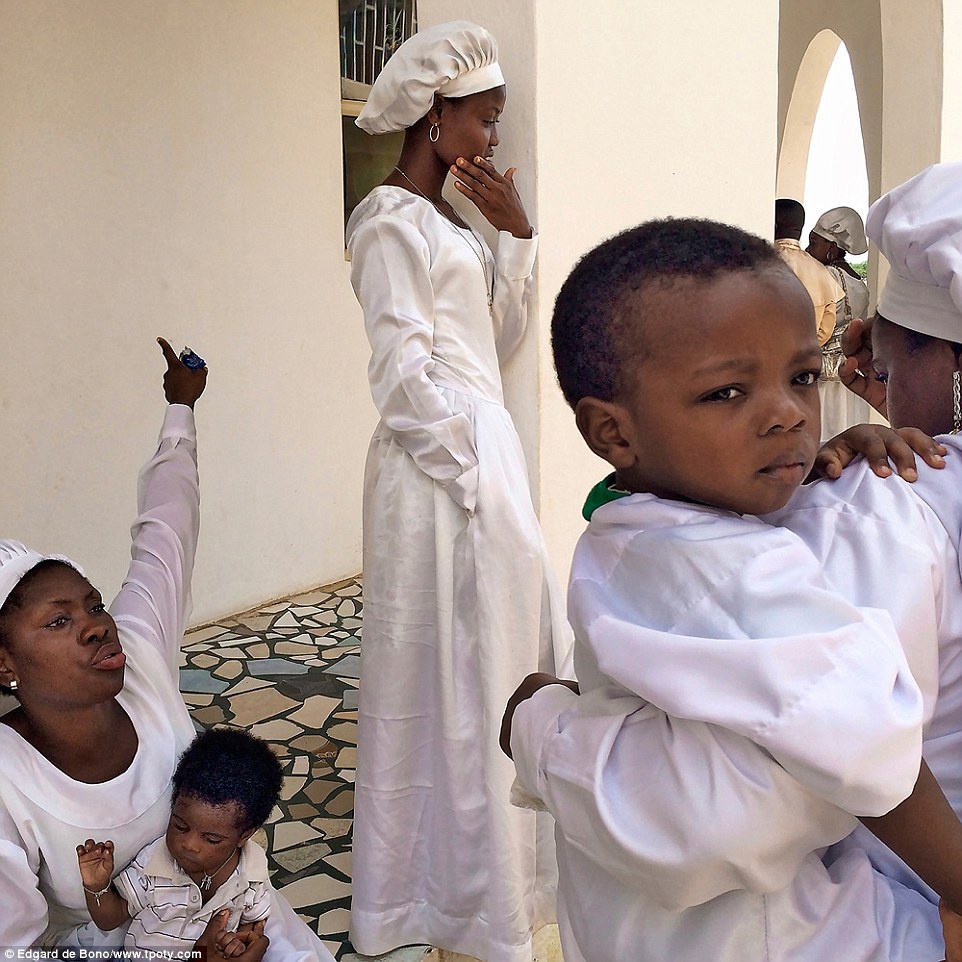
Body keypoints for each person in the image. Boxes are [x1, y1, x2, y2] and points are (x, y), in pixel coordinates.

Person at [503, 218, 962, 962]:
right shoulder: (712, 561)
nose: (787, 413)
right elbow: (868, 731)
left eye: (802, 378)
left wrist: (814, 462)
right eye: (726, 392)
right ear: (613, 434)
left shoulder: (642, 521)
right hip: (776, 934)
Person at [345, 20, 571, 962]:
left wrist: (514, 240)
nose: (491, 140)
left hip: (482, 462)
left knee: (497, 669)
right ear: (435, 114)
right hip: (438, 474)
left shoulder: (452, 228)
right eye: (482, 117)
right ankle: (440, 899)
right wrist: (472, 468)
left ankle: (493, 891)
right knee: (441, 679)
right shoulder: (388, 221)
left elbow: (497, 341)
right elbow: (401, 373)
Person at [0, 339, 334, 961]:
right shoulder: (6, 783)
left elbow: (167, 530)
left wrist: (180, 408)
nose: (97, 627)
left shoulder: (139, 657)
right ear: (4, 664)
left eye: (94, 606)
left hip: (235, 921)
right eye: (58, 622)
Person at [76, 728, 283, 958]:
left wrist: (236, 943)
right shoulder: (154, 864)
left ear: (245, 835)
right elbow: (109, 920)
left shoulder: (251, 875)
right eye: (180, 826)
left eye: (211, 839)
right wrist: (96, 886)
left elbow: (253, 924)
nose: (189, 844)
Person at [806, 205, 874, 438]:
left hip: (825, 374)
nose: (807, 249)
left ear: (831, 248)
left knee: (825, 433)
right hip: (850, 370)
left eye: (813, 242)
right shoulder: (859, 283)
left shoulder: (826, 277)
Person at [775, 197, 844, 348]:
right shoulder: (820, 270)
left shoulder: (760, 261)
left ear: (774, 224)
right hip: (800, 358)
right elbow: (825, 330)